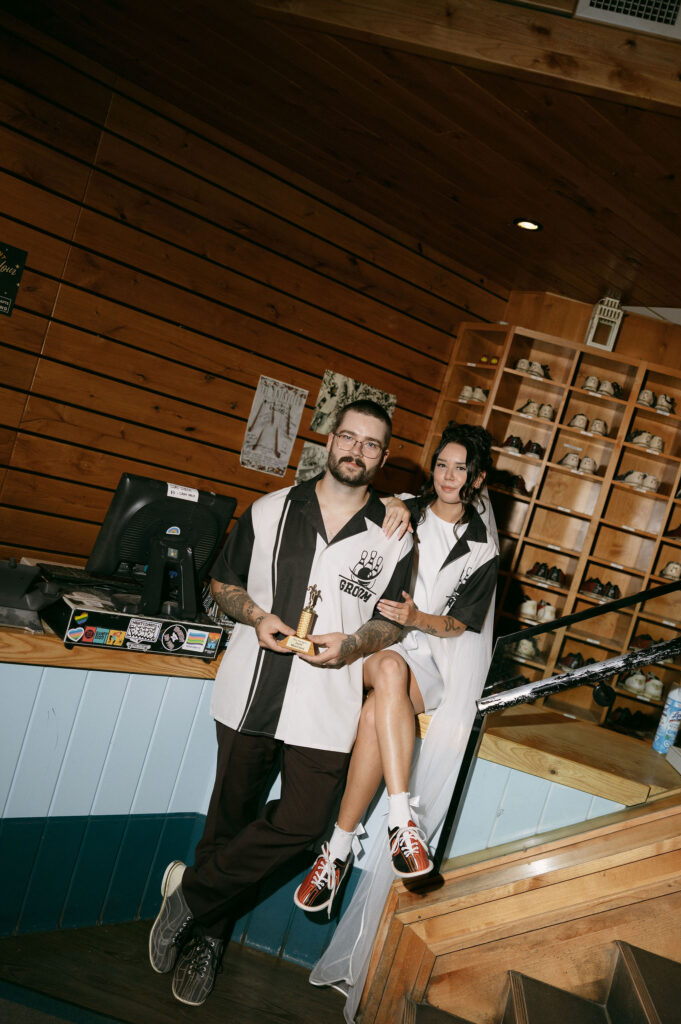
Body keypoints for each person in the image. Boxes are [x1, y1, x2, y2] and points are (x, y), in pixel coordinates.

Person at [148, 399, 414, 1007]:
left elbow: (392, 624)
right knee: (228, 820)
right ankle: (206, 941)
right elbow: (222, 582)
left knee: (303, 823)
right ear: (329, 440)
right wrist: (259, 616)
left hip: (329, 699)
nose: (357, 450)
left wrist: (352, 645)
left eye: (371, 444)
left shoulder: (395, 533)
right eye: (348, 437)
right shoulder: (270, 508)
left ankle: (189, 896)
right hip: (251, 690)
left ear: (383, 456)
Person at [303, 423, 500, 1024]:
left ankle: (336, 850)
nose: (447, 475)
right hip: (378, 644)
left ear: (477, 479)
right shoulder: (402, 511)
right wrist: (389, 504)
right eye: (441, 464)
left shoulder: (484, 549)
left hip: (429, 661)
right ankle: (399, 820)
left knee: (383, 693)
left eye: (459, 468)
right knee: (385, 663)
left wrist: (418, 614)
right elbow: (359, 520)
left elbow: (460, 626)